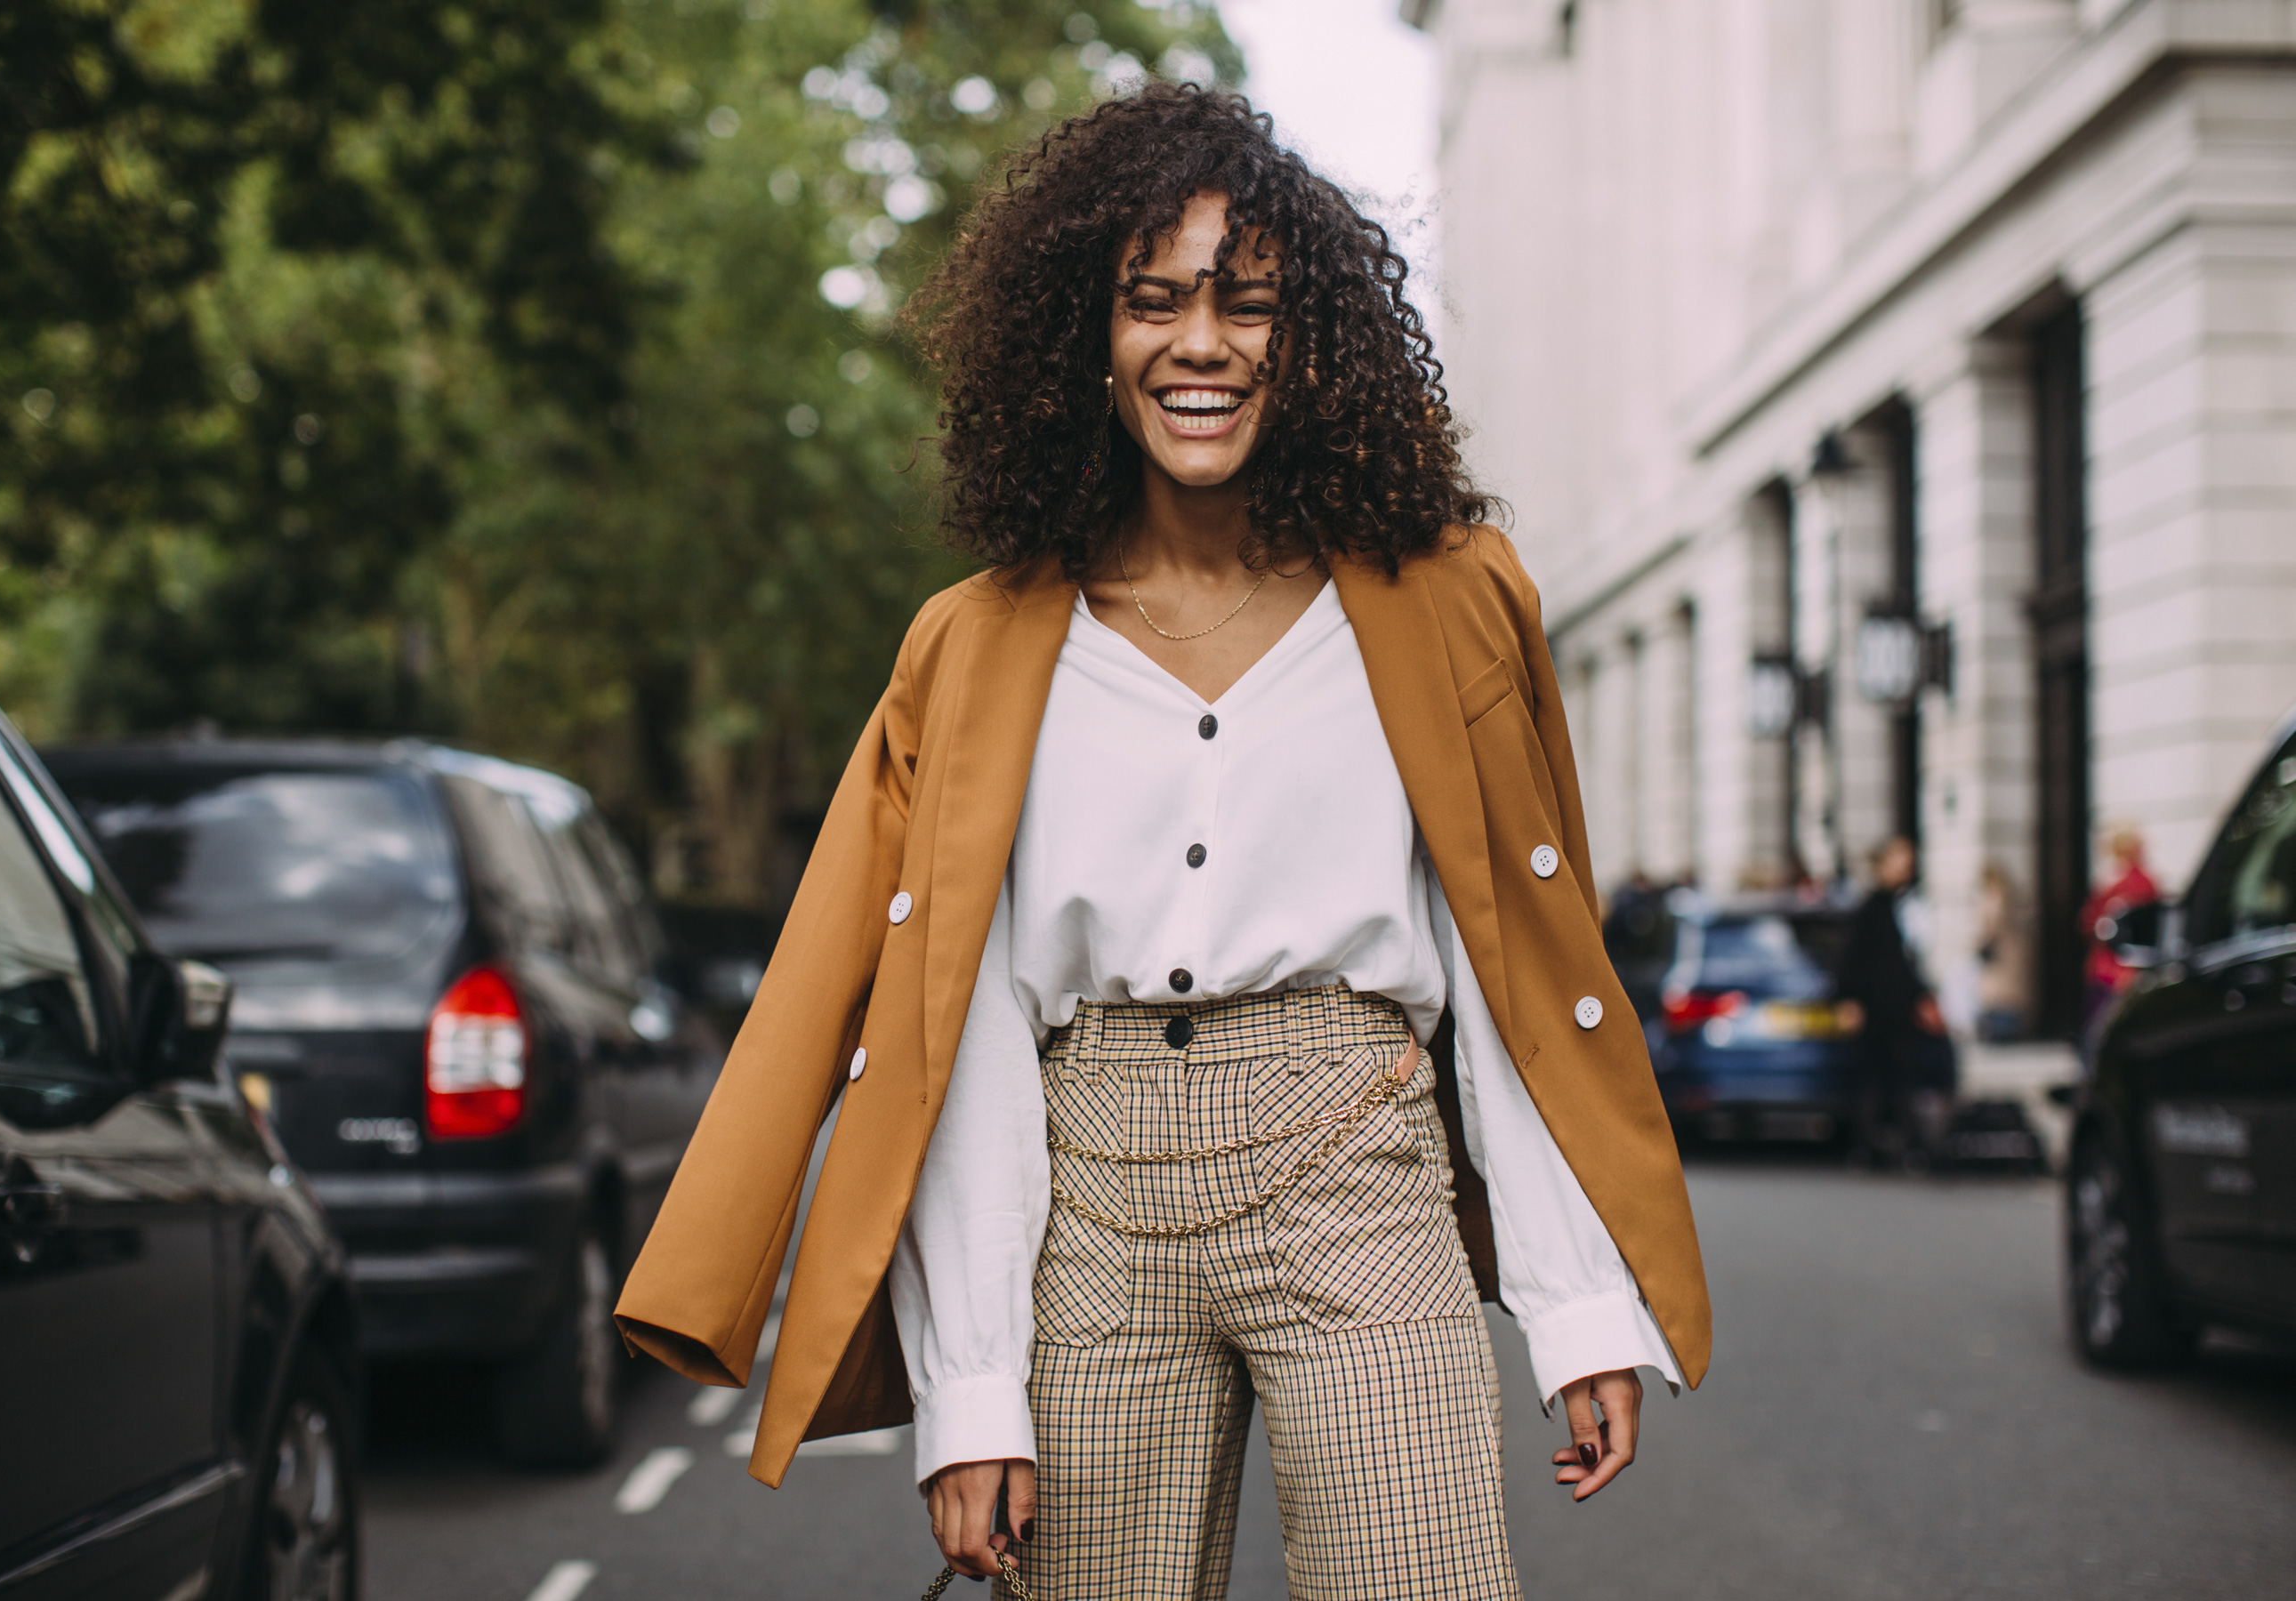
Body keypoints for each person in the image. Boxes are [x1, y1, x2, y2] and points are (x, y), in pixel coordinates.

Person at [613, 84, 1709, 1600]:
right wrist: (975, 1390)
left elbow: (1505, 959)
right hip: (1093, 1202)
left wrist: (1583, 1303)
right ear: (1088, 338)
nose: (1203, 343)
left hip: (1361, 1171)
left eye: (1249, 304)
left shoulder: (1445, 596)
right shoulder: (979, 646)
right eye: (1155, 302)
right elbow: (969, 1029)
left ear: (1311, 339)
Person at [1834, 837, 1951, 1164]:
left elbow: (1907, 964)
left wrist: (1921, 998)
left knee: (1901, 1081)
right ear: (1882, 865)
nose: (1906, 868)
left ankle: (1904, 1144)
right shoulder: (1870, 910)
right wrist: (1850, 1000)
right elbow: (1852, 961)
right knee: (1873, 1081)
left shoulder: (1905, 907)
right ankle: (1868, 1145)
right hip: (1876, 1011)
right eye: (1899, 861)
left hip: (1898, 1012)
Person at [2081, 824, 2158, 1056]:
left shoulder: (2111, 882)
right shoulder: (2143, 881)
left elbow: (2087, 922)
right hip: (2130, 969)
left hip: (2108, 970)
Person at [1974, 861, 2031, 1043]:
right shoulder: (2007, 895)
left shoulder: (1997, 896)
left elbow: (1993, 923)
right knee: (2004, 995)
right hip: (2007, 952)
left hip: (2000, 953)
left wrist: (1983, 939)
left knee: (1999, 996)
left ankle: (2001, 1031)